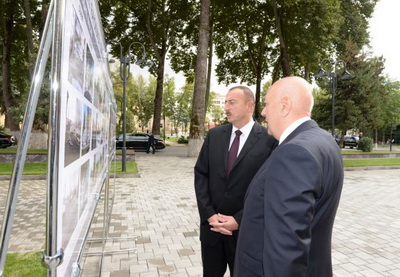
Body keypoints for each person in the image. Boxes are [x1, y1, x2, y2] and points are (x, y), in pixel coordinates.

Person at [234, 76, 344, 277]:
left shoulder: (293, 153)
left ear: (285, 106)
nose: (263, 112)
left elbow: (286, 250)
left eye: (267, 104)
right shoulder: (324, 140)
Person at [194, 86, 278, 277]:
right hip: (212, 229)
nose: (226, 107)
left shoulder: (269, 140)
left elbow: (269, 187)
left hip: (246, 234)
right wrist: (209, 214)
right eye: (225, 102)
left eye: (232, 102)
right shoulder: (214, 136)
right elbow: (201, 174)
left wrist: (239, 220)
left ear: (249, 106)